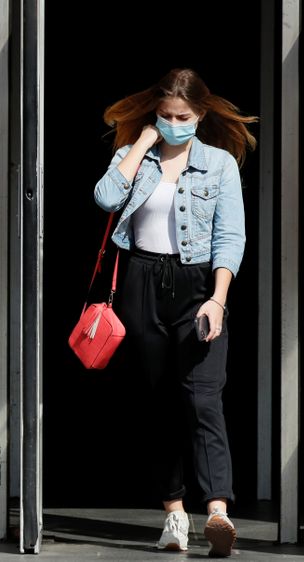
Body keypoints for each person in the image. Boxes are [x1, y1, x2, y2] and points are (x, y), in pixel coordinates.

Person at [93, 68, 257, 557]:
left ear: (200, 115)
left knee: (203, 397)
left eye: (182, 116)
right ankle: (174, 516)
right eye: (164, 116)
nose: (172, 123)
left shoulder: (219, 163)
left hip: (198, 284)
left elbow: (232, 236)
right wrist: (142, 144)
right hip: (142, 283)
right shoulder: (132, 157)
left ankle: (218, 512)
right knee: (159, 401)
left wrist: (218, 298)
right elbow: (103, 198)